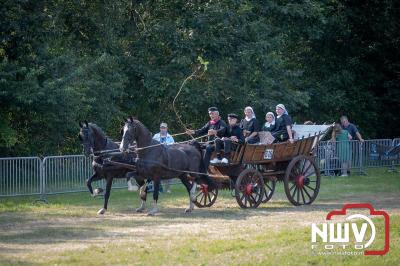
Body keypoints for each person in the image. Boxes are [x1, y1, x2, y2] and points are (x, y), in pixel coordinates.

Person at [152, 122, 175, 193]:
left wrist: (167, 144)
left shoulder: (170, 137)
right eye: (161, 128)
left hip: (167, 158)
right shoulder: (155, 136)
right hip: (157, 158)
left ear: (167, 129)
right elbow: (151, 145)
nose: (163, 129)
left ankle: (168, 188)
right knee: (155, 173)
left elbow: (173, 146)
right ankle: (158, 189)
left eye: (164, 128)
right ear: (160, 128)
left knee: (169, 172)